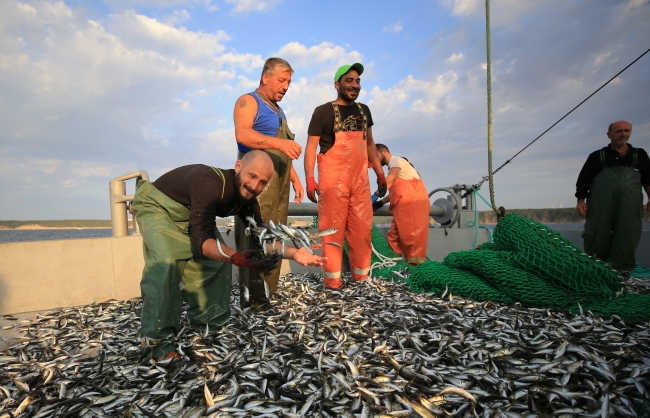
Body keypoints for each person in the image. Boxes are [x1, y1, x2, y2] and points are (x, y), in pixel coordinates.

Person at [132, 151, 325, 360]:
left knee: (217, 264)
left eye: (262, 182)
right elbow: (203, 243)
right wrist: (235, 257)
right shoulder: (210, 184)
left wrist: (295, 253)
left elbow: (262, 240)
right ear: (238, 165)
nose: (255, 186)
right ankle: (157, 344)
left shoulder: (248, 201)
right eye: (252, 176)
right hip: (158, 206)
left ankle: (209, 326)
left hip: (190, 214)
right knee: (165, 264)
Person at [304, 63, 387, 289]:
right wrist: (310, 178)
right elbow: (311, 147)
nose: (354, 85)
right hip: (333, 182)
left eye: (357, 81)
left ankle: (362, 278)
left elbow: (369, 143)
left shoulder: (364, 110)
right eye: (349, 80)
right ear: (337, 84)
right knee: (332, 231)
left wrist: (380, 173)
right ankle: (332, 282)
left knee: (362, 231)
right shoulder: (323, 111)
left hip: (360, 182)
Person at [233, 57, 304, 311]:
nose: (286, 86)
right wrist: (280, 143)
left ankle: (267, 295)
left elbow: (284, 154)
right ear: (266, 77)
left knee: (276, 238)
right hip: (258, 187)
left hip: (280, 188)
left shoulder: (279, 111)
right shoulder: (249, 101)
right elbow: (243, 134)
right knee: (255, 239)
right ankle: (252, 303)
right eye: (282, 80)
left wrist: (295, 179)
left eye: (289, 82)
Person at [575, 120, 650, 276]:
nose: (623, 134)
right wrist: (580, 200)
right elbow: (583, 180)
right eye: (618, 131)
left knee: (627, 236)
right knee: (596, 235)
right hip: (600, 206)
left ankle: (622, 274)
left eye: (627, 130)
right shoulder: (596, 156)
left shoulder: (640, 155)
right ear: (609, 135)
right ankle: (595, 273)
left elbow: (648, 180)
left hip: (630, 205)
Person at [372, 144, 429, 265]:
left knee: (412, 240)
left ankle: (417, 273)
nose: (374, 160)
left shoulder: (396, 161)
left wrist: (375, 195)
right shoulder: (399, 170)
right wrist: (381, 202)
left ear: (384, 151)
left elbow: (391, 177)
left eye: (375, 156)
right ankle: (393, 267)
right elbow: (396, 191)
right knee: (394, 238)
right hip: (401, 211)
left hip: (413, 207)